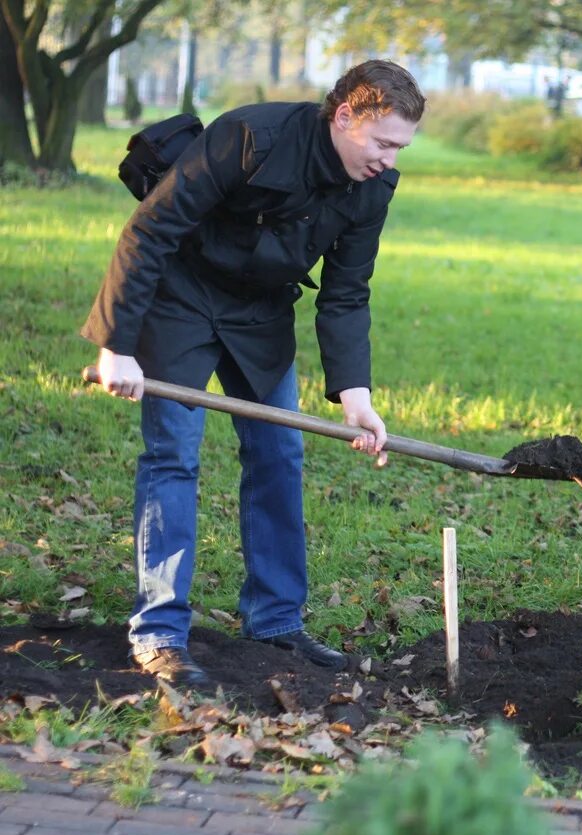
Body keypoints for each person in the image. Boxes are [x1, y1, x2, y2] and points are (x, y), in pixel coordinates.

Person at [81, 60, 426, 689]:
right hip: (181, 298)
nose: (388, 159)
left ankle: (275, 621)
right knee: (173, 456)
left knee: (278, 453)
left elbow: (347, 293)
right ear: (344, 115)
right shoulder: (250, 137)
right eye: (381, 142)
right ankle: (158, 632)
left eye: (400, 147)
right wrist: (116, 344)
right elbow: (151, 229)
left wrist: (356, 396)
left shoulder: (373, 187)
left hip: (261, 312)